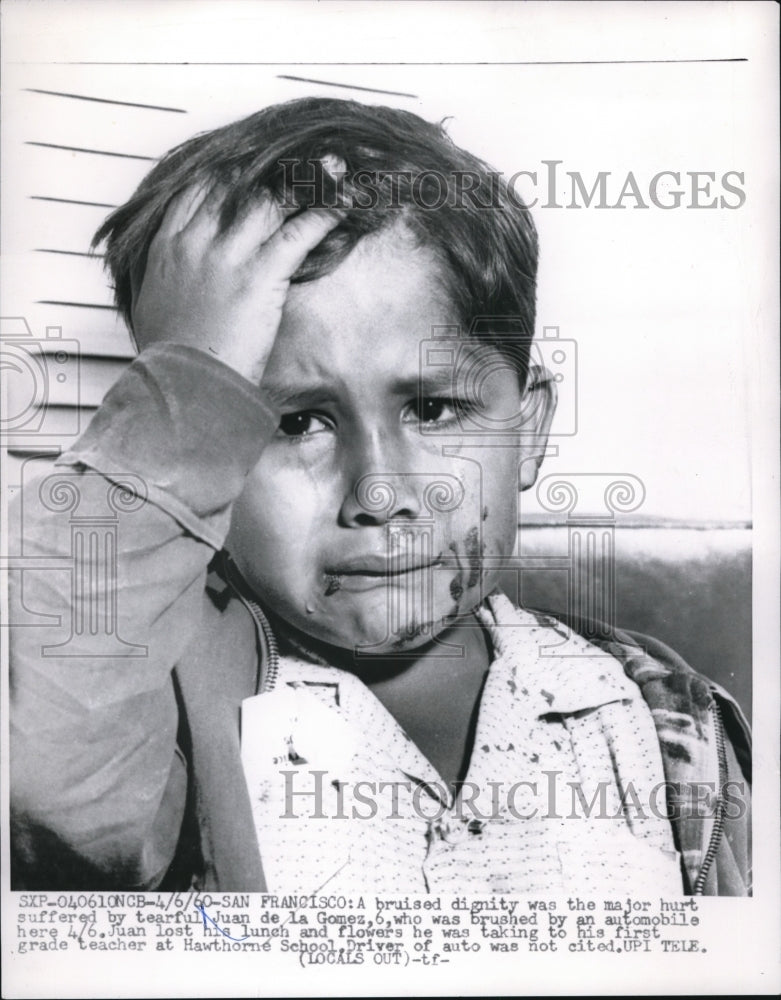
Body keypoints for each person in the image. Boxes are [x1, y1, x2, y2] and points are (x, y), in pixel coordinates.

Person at [10, 97, 750, 895]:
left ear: (528, 431)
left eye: (433, 409)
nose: (380, 492)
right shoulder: (163, 716)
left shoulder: (653, 716)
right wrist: (190, 385)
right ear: (210, 455)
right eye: (295, 422)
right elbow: (48, 793)